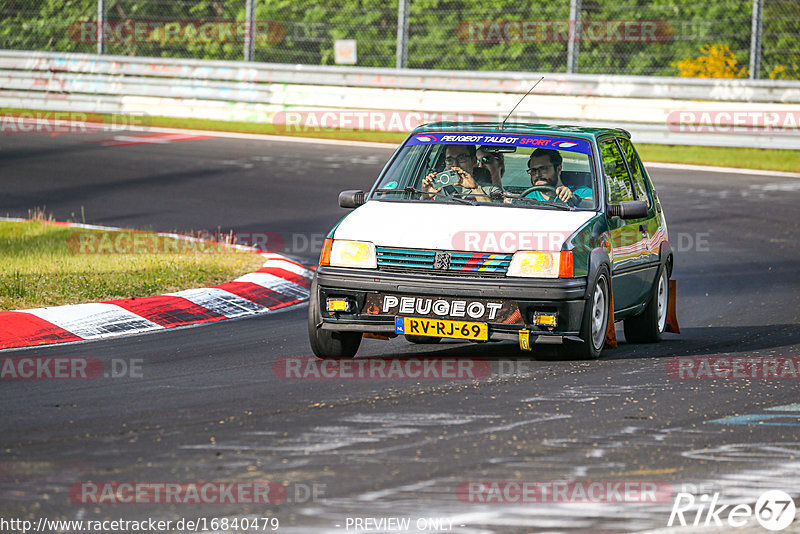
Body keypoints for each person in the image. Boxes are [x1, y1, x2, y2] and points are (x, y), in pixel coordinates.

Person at [422, 145, 501, 201]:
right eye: (449, 160)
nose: (455, 164)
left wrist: (476, 189)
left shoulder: (492, 190)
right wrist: (425, 197)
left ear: (474, 161)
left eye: (461, 158)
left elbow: (497, 217)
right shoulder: (436, 189)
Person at [525, 148, 592, 205]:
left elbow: (593, 205)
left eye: (543, 169)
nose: (537, 175)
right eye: (533, 171)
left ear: (558, 169)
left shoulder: (581, 192)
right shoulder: (527, 197)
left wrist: (575, 199)